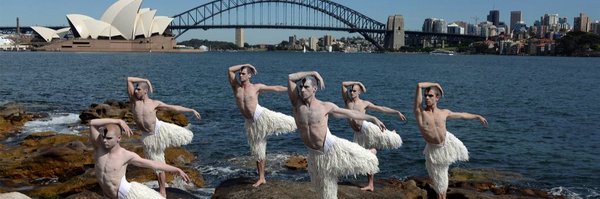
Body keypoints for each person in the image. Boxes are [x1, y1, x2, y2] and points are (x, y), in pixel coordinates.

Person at [287, 71, 385, 199]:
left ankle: (370, 152)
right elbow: (290, 78)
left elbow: (350, 113)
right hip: (315, 154)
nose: (302, 89)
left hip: (331, 147)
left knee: (362, 157)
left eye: (306, 87)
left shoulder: (325, 106)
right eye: (301, 87)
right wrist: (314, 73)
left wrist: (372, 118)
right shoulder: (297, 103)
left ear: (315, 89)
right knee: (325, 189)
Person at [126, 77, 200, 197]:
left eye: (138, 89)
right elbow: (129, 79)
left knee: (186, 135)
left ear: (145, 91)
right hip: (148, 138)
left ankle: (164, 188)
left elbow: (174, 107)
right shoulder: (134, 101)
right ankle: (163, 190)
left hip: (160, 129)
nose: (135, 91)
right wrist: (146, 80)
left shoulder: (155, 104)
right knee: (158, 165)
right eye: (135, 88)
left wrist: (191, 110)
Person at [413, 82, 488, 199]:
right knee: (439, 184)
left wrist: (477, 116)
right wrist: (435, 84)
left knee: (443, 182)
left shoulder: (444, 112)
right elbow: (419, 85)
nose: (427, 97)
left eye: (430, 95)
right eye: (426, 95)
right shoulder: (420, 113)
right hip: (434, 151)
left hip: (447, 143)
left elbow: (462, 115)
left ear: (437, 98)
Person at [227, 64, 297, 187]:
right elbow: (230, 70)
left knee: (292, 122)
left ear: (249, 75)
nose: (240, 75)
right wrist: (246, 65)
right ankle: (261, 178)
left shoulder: (256, 87)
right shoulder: (236, 87)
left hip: (263, 116)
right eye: (240, 73)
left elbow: (275, 88)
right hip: (251, 124)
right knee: (258, 151)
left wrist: (291, 90)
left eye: (244, 73)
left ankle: (305, 122)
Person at [89, 118, 190, 199]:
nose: (105, 141)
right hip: (108, 195)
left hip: (125, 194)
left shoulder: (125, 155)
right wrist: (118, 121)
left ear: (119, 138)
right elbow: (92, 123)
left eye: (109, 138)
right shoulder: (99, 147)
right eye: (103, 137)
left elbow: (153, 164)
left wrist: (176, 169)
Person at [341, 81, 405, 191]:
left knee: (391, 138)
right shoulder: (347, 100)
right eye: (350, 90)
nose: (351, 92)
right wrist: (357, 82)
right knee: (366, 157)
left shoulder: (364, 103)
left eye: (354, 90)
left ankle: (391, 134)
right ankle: (370, 184)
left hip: (367, 128)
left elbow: (381, 108)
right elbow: (343, 84)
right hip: (358, 134)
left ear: (359, 92)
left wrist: (396, 112)